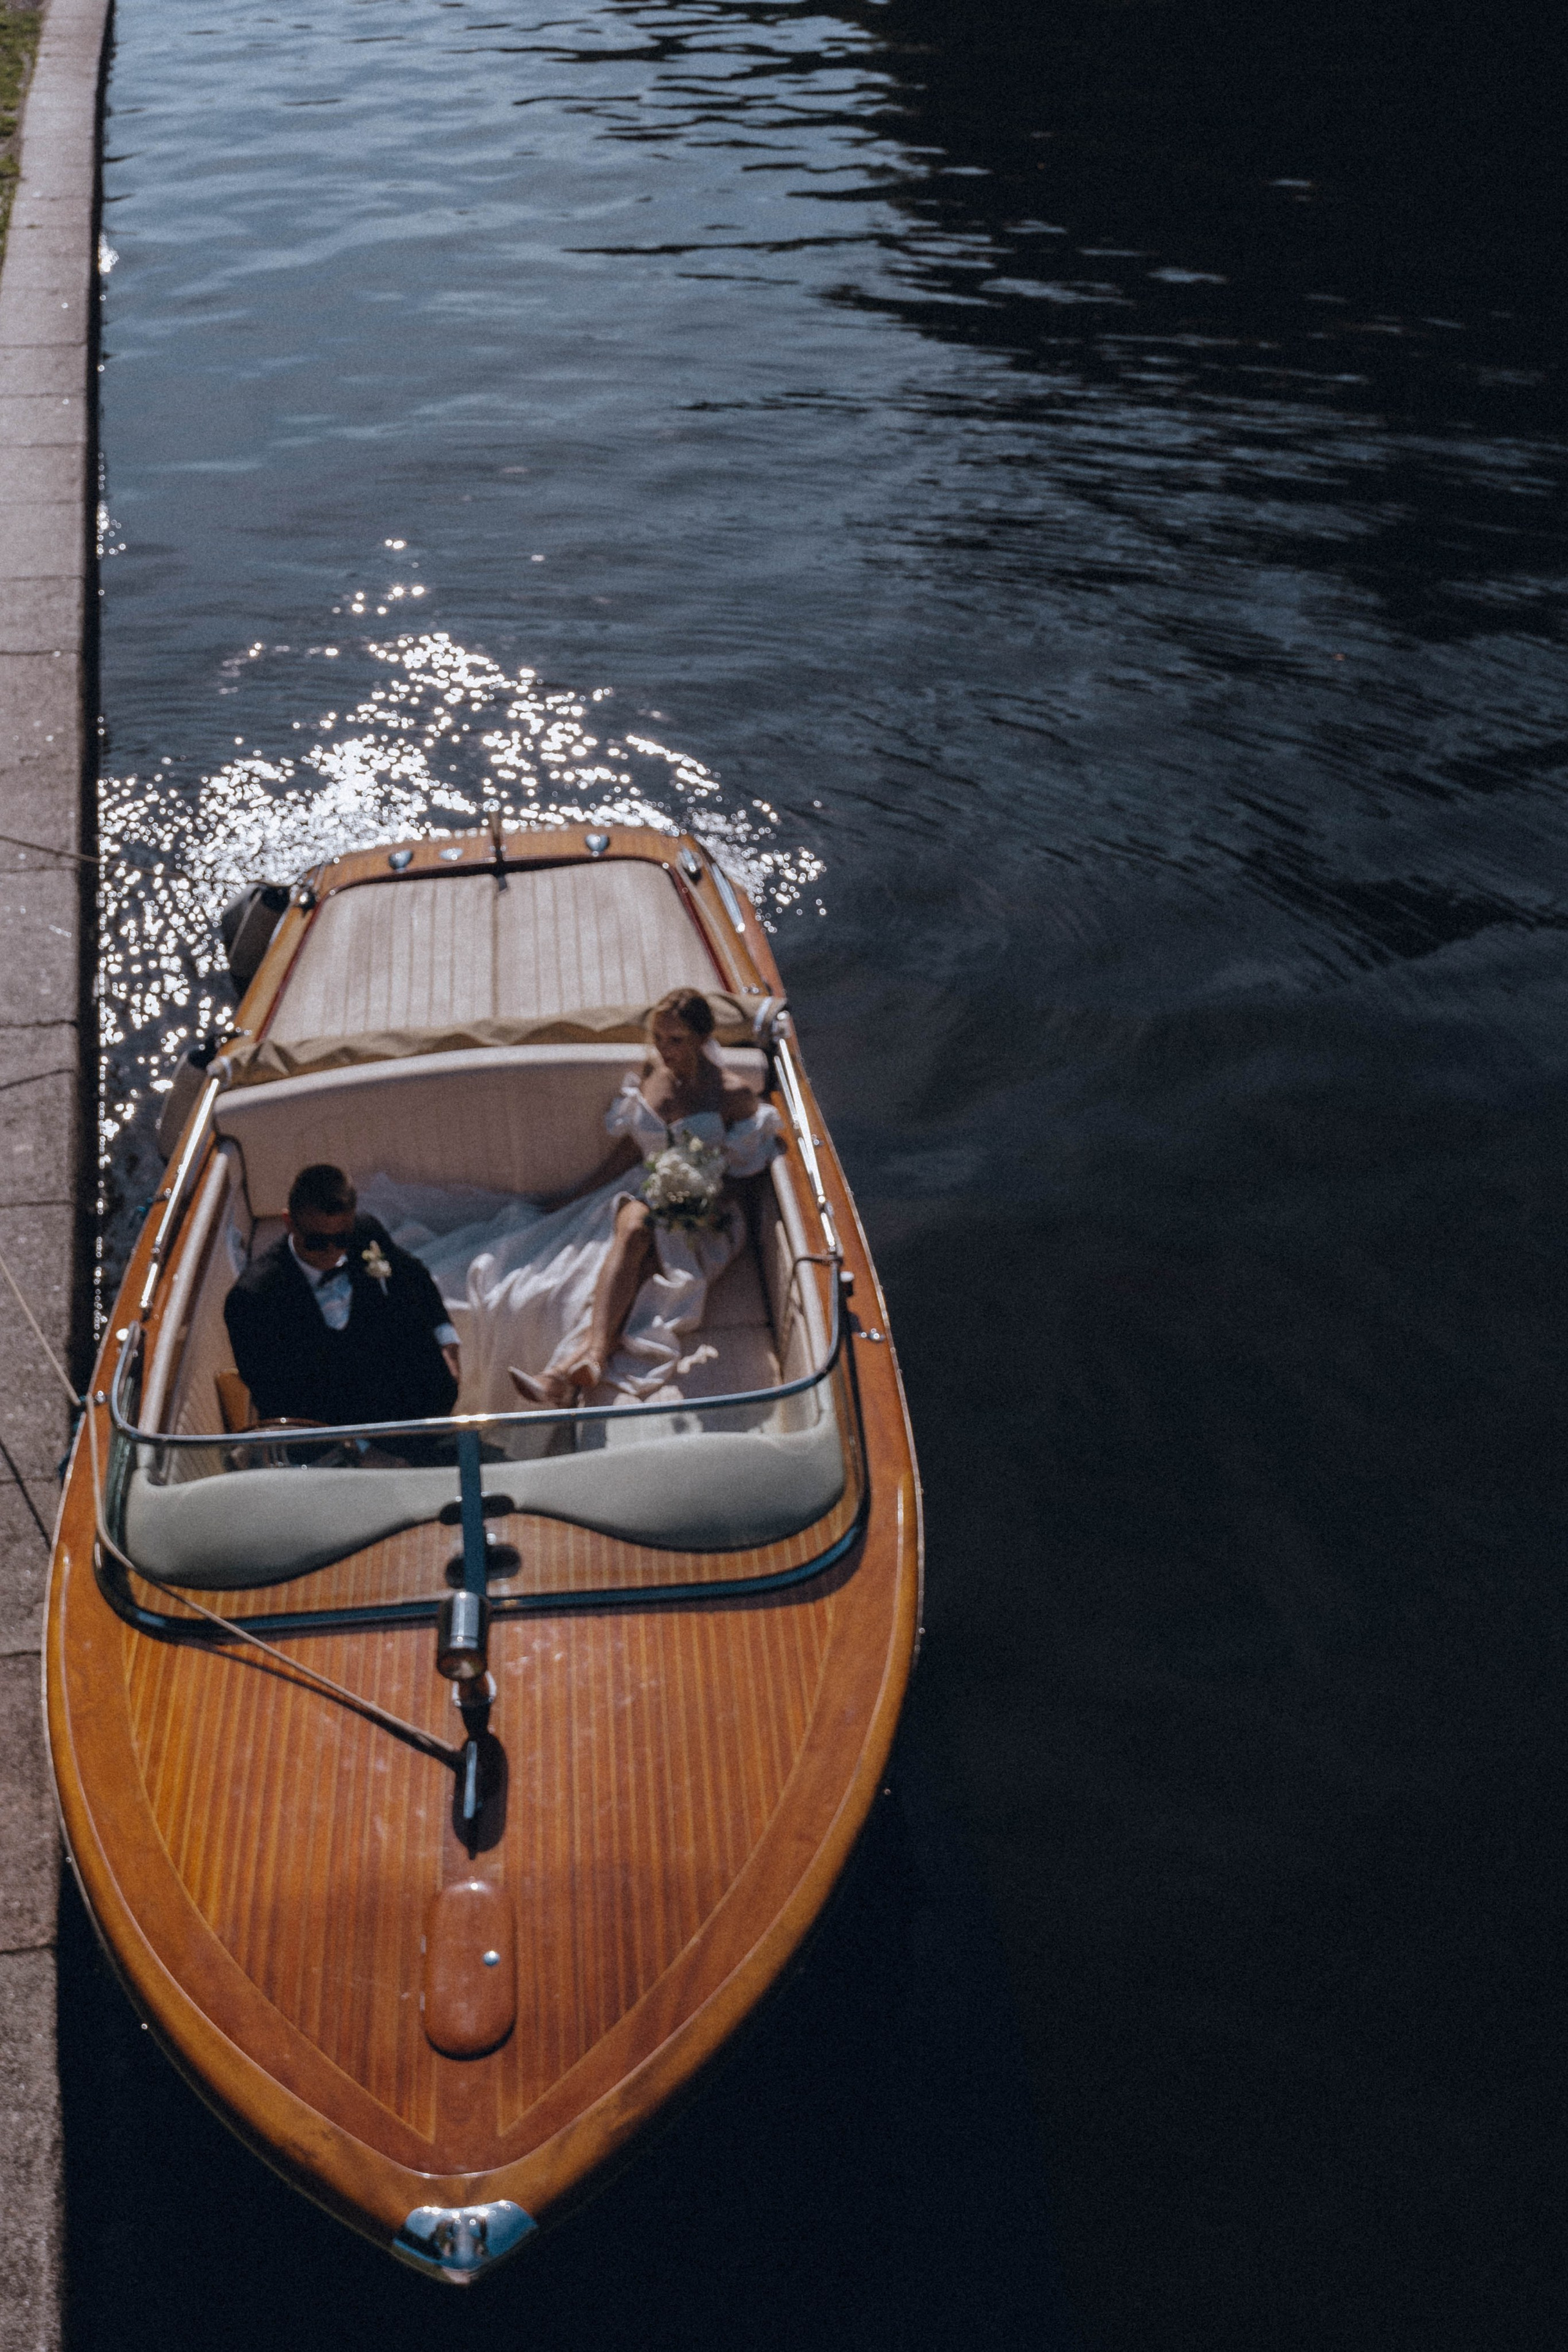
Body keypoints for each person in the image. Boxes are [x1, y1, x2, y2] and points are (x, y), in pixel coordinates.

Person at [450, 988, 782, 1415]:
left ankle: (568, 1371)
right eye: (660, 1038)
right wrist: (574, 1194)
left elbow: (748, 1170)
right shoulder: (653, 1074)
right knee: (636, 1229)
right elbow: (630, 1152)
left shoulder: (733, 1095)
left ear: (702, 1038)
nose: (665, 1049)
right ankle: (581, 1363)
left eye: (676, 1040)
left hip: (705, 1210)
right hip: (646, 1189)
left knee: (643, 1260)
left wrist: (706, 1200)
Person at [224, 1163, 461, 1429]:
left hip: (406, 1411)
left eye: (342, 1239)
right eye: (316, 1242)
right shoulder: (252, 1301)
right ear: (289, 1223)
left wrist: (446, 1340)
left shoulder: (366, 1233)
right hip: (328, 1434)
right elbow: (278, 1399)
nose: (332, 1252)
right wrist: (359, 1450)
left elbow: (414, 1274)